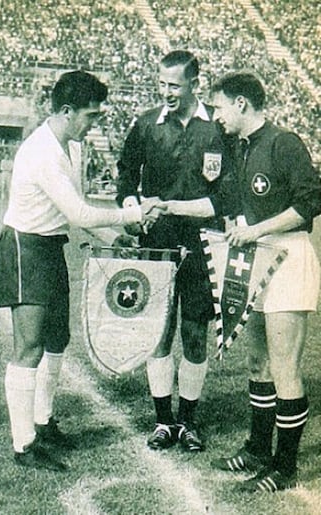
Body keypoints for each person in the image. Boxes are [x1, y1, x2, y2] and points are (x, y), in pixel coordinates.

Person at [162, 71, 321, 492]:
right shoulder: (240, 146)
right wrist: (178, 207)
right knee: (257, 362)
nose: (216, 116)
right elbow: (225, 201)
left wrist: (255, 230)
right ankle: (257, 448)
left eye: (218, 107)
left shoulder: (283, 142)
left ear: (241, 104)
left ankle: (283, 466)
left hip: (287, 257)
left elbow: (310, 203)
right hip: (254, 259)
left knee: (285, 366)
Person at [0, 70, 160, 471]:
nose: (94, 123)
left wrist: (113, 235)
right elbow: (78, 212)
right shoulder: (42, 152)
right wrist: (133, 214)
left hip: (49, 246)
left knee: (56, 341)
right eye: (89, 115)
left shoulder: (69, 145)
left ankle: (43, 421)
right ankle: (24, 445)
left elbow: (75, 211)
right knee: (29, 346)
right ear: (66, 112)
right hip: (25, 248)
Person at [116, 50, 232, 452]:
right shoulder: (146, 125)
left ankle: (189, 422)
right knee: (160, 332)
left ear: (194, 84)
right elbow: (126, 176)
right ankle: (163, 421)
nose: (166, 92)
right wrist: (132, 210)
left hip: (202, 245)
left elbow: (225, 195)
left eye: (174, 85)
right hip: (158, 242)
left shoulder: (217, 130)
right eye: (161, 84)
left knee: (195, 333)